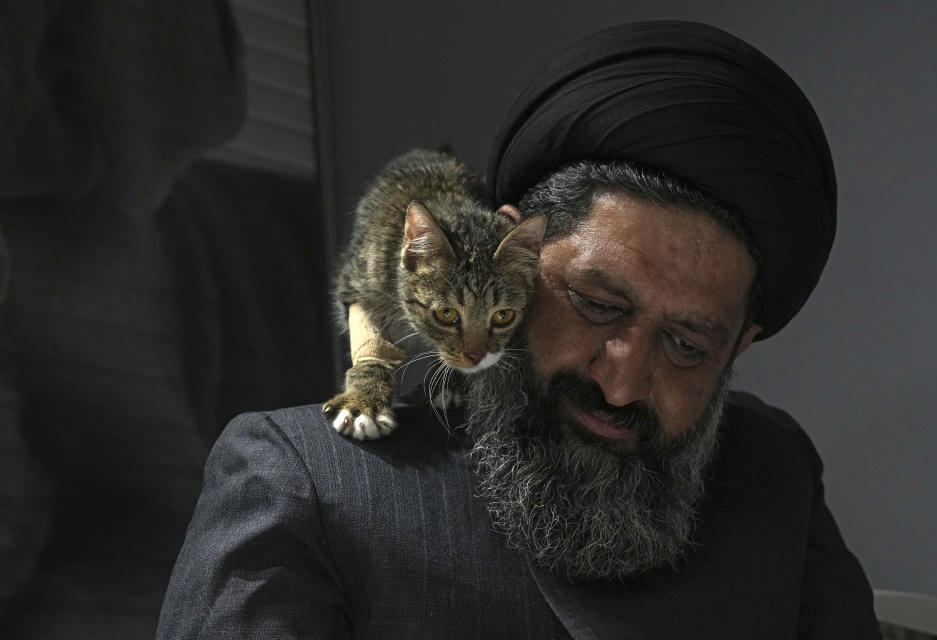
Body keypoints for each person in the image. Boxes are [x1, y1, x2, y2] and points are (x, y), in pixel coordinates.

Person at [156, 21, 881, 639]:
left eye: (688, 346)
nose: (622, 379)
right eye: (597, 304)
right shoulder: (303, 483)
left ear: (739, 348)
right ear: (517, 264)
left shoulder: (774, 468)